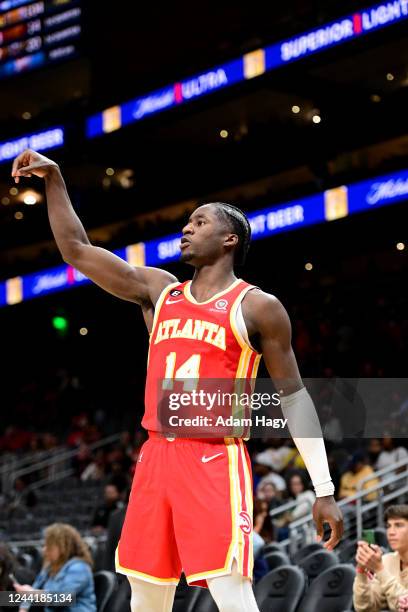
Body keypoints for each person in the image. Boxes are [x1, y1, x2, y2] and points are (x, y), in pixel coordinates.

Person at [11, 150, 343, 612]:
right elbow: (77, 251)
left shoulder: (257, 306)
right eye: (187, 222)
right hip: (155, 457)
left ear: (230, 239)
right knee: (145, 595)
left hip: (213, 458)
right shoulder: (158, 292)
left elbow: (295, 399)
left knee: (231, 592)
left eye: (199, 222)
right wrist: (55, 179)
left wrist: (323, 489)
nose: (186, 228)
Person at [14, 523, 96, 612]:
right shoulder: (49, 567)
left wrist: (33, 593)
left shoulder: (79, 568)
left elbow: (62, 598)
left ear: (63, 547)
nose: (44, 550)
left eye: (49, 546)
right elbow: (32, 591)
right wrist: (23, 609)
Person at [353, 505, 408, 612]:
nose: (391, 532)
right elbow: (364, 607)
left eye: (399, 525)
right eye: (388, 526)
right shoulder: (386, 560)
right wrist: (361, 570)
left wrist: (380, 570)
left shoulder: (381, 565)